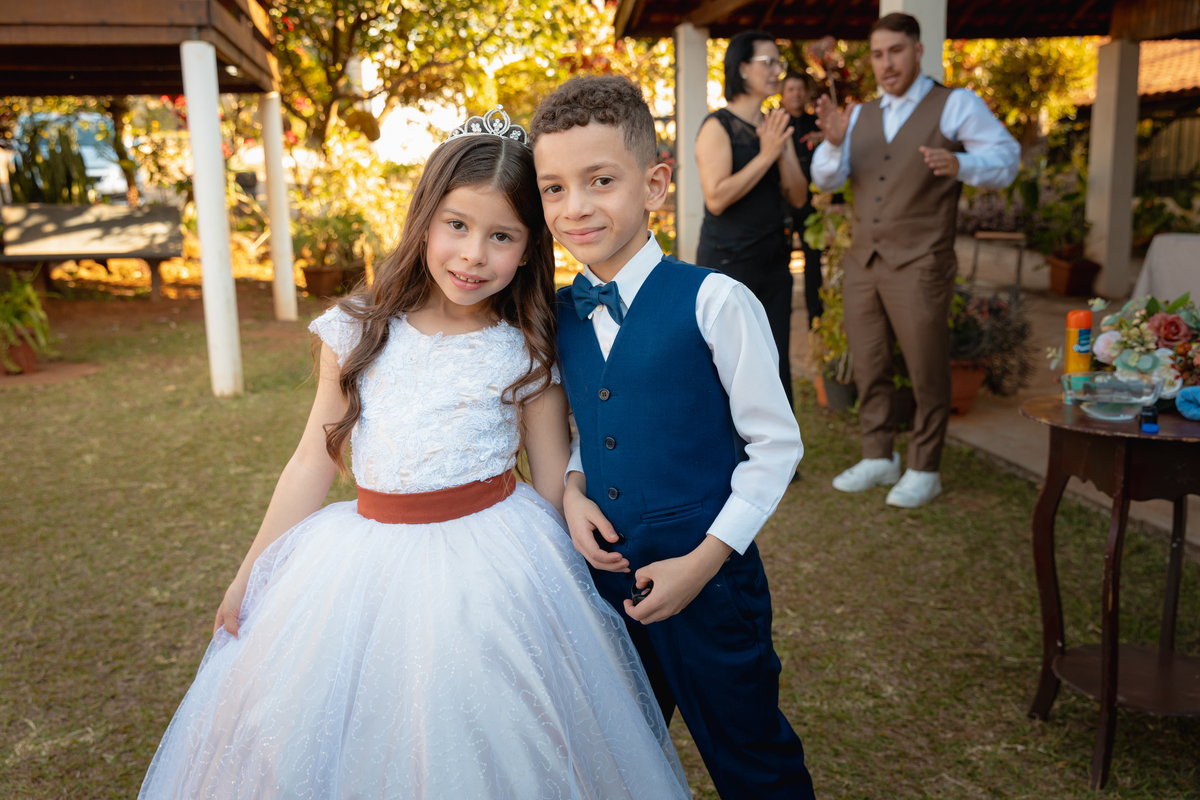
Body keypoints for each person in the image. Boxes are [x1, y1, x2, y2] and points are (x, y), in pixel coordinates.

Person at [138, 111, 691, 800]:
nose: (473, 255)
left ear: (529, 249)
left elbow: (554, 480)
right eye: (456, 225)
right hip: (363, 564)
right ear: (424, 220)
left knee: (491, 732)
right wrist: (251, 571)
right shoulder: (359, 329)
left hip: (495, 566)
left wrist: (581, 539)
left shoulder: (526, 344)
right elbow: (313, 460)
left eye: (501, 236)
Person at [530, 76, 817, 800]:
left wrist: (704, 562)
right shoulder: (559, 315)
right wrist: (572, 488)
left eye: (600, 180)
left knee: (750, 757)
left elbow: (775, 447)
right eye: (554, 188)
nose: (576, 206)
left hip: (710, 584)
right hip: (606, 584)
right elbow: (593, 427)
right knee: (618, 755)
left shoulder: (717, 301)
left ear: (655, 184)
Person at [812, 12, 1019, 508]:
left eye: (896, 51)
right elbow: (826, 179)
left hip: (922, 260)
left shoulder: (954, 104)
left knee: (927, 368)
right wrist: (834, 144)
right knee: (869, 363)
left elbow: (1008, 159)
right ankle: (879, 455)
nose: (886, 64)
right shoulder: (859, 115)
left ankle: (925, 467)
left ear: (918, 50)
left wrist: (962, 163)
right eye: (877, 55)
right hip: (864, 260)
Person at [694, 30, 808, 408]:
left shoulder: (774, 125)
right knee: (730, 364)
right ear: (743, 68)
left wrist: (782, 150)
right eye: (768, 62)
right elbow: (716, 198)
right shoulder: (717, 126)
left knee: (774, 362)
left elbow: (798, 196)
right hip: (730, 261)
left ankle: (777, 444)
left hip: (774, 261)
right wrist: (766, 154)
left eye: (779, 62)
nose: (777, 70)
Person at [781, 69, 825, 327]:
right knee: (781, 263)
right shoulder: (774, 124)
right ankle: (780, 318)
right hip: (782, 207)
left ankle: (815, 320)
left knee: (814, 264)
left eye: (800, 89)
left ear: (807, 93)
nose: (796, 94)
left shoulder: (817, 125)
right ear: (782, 94)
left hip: (812, 207)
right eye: (791, 89)